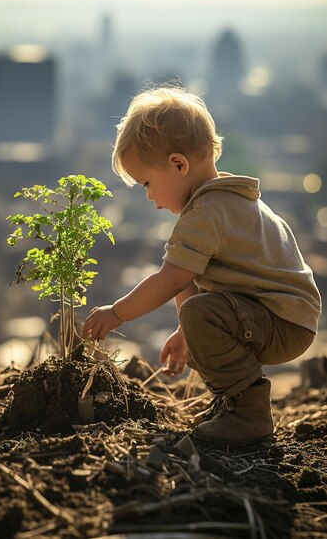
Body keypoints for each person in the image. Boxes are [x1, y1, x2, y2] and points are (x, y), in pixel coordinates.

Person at [82, 86, 321, 444]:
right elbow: (188, 283)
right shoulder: (228, 199)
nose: (148, 196)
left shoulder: (205, 214)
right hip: (282, 316)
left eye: (147, 183)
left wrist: (118, 313)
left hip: (281, 321)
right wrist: (186, 334)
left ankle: (249, 415)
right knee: (196, 320)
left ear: (178, 164)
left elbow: (171, 279)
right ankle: (232, 402)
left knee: (198, 315)